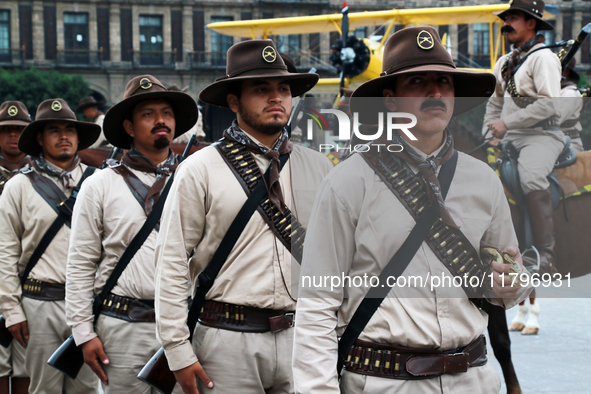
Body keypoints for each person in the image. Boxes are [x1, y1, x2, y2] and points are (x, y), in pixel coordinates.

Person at [292, 26, 532, 393]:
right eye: (418, 82)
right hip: (384, 382)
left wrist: (511, 283)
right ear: (389, 100)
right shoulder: (348, 182)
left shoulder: (483, 179)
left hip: (473, 380)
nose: (435, 92)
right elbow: (317, 306)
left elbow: (508, 279)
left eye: (444, 82)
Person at [153, 39, 333, 394]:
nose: (277, 98)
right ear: (233, 100)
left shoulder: (321, 167)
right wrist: (177, 349)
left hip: (305, 337)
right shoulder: (199, 169)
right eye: (261, 89)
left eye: (284, 88)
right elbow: (171, 260)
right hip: (226, 341)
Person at [66, 75, 197, 393]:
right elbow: (81, 264)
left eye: (166, 112)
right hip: (121, 327)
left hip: (184, 327)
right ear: (128, 126)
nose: (160, 121)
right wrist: (83, 333)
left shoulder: (194, 180)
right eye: (148, 114)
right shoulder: (99, 184)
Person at [0, 98, 100, 394]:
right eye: (54, 130)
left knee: (87, 389)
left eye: (70, 129)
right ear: (40, 139)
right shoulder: (18, 186)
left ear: (79, 136)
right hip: (39, 304)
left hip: (88, 304)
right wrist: (12, 310)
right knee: (42, 389)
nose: (64, 136)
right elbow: (5, 252)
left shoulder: (100, 182)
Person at [482, 0, 563, 274]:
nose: (506, 24)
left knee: (530, 176)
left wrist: (507, 123)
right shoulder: (504, 62)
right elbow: (493, 104)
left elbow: (550, 104)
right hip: (508, 138)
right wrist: (488, 133)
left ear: (531, 23)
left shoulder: (544, 59)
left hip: (540, 136)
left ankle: (546, 256)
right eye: (507, 18)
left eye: (514, 18)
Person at [0, 101, 32, 394]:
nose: (13, 135)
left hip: (31, 288)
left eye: (19, 130)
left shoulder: (42, 180)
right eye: (6, 130)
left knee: (26, 369)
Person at [559, 59, 584, 153]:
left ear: (565, 72)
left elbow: (552, 121)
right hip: (553, 141)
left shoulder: (569, 94)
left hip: (567, 144)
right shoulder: (557, 91)